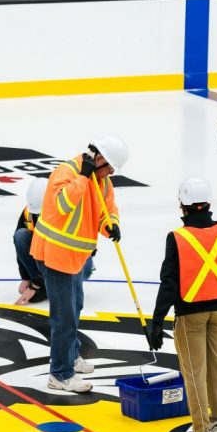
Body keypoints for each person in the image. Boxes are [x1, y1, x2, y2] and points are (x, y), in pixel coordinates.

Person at [147, 178, 217, 432]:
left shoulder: (178, 238)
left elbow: (169, 283)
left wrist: (157, 322)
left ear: (182, 205)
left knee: (194, 372)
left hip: (189, 314)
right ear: (208, 204)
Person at [30, 136, 127, 393]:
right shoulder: (67, 172)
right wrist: (83, 178)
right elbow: (63, 205)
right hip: (54, 255)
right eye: (109, 167)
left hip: (76, 257)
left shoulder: (103, 181)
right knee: (64, 318)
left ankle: (71, 355)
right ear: (99, 159)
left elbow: (108, 209)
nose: (111, 173)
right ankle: (60, 374)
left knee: (76, 307)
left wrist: (111, 226)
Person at [14, 178, 48, 306]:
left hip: (71, 263)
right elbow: (18, 244)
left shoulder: (62, 216)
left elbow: (54, 257)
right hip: (44, 260)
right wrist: (26, 278)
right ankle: (45, 284)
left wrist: (35, 286)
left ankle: (47, 284)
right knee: (20, 235)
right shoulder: (29, 212)